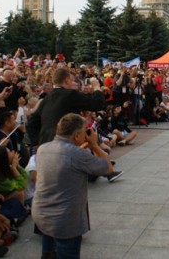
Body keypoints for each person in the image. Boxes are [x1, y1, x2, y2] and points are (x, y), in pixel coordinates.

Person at [32, 113, 117, 259]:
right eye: (85, 131)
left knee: (49, 252)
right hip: (65, 220)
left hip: (42, 213)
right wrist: (94, 145)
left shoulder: (42, 148)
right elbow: (108, 168)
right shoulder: (77, 154)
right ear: (77, 135)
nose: (87, 134)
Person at [26, 68, 106, 147]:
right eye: (71, 80)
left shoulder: (46, 98)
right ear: (67, 80)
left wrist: (38, 142)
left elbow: (30, 124)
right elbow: (97, 104)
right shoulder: (70, 94)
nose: (72, 83)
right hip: (65, 145)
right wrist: (96, 87)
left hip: (46, 146)